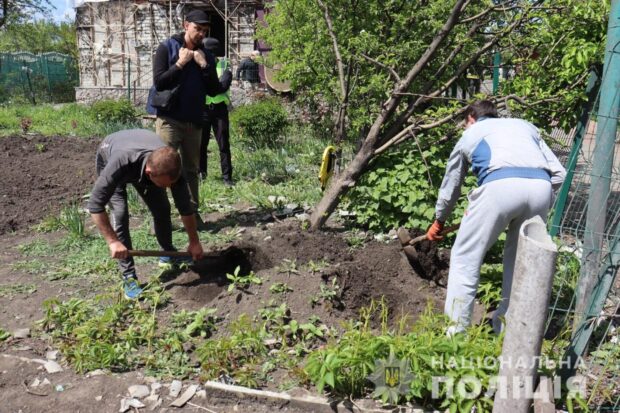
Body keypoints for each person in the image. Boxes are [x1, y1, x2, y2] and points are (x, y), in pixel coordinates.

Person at [427, 100, 566, 335]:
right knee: (519, 261)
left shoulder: (471, 134)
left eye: (464, 123)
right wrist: (534, 197)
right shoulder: (525, 126)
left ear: (471, 118)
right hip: (542, 187)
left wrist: (440, 220)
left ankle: (455, 336)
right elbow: (560, 173)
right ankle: (508, 330)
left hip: (498, 188)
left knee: (464, 258)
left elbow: (452, 185)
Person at [87, 129, 204, 299]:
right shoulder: (119, 163)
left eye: (169, 185)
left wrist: (194, 242)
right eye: (164, 185)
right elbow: (95, 205)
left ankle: (167, 252)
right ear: (150, 174)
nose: (167, 188)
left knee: (162, 208)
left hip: (143, 159)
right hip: (112, 153)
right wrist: (113, 241)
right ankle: (128, 276)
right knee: (120, 213)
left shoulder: (172, 168)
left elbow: (185, 209)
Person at [151, 9, 226, 230]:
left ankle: (192, 215)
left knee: (191, 170)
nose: (201, 33)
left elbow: (213, 89)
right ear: (186, 25)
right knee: (163, 169)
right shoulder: (167, 48)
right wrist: (180, 64)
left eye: (204, 30)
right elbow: (160, 83)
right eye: (197, 28)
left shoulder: (207, 55)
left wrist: (204, 66)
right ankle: (161, 218)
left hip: (194, 122)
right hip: (170, 120)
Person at [199, 37, 234, 187]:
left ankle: (227, 177)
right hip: (203, 109)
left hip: (219, 109)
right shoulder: (198, 66)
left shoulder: (225, 65)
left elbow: (223, 86)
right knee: (201, 144)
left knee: (223, 144)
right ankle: (202, 175)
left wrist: (209, 86)